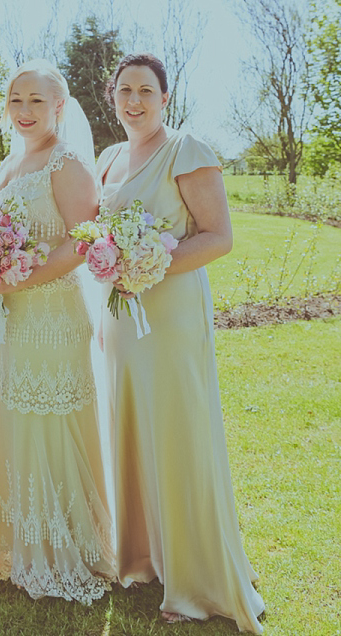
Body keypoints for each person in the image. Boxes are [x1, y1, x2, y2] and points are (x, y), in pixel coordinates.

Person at [96, 53, 265, 632]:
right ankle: (144, 558)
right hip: (122, 318)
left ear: (165, 98)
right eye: (125, 91)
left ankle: (195, 578)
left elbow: (219, 237)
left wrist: (150, 263)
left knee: (177, 430)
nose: (135, 101)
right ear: (112, 97)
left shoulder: (186, 149)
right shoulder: (109, 158)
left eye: (146, 91)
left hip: (168, 316)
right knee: (132, 427)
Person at [0, 60, 115, 603]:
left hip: (53, 316)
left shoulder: (66, 161)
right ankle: (11, 543)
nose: (24, 111)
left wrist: (17, 277)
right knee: (14, 415)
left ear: (59, 106)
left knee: (49, 417)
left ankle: (64, 544)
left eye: (36, 100)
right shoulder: (11, 163)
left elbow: (83, 241)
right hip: (14, 315)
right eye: (15, 100)